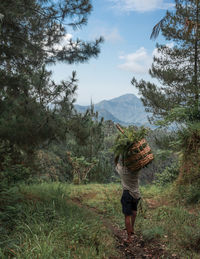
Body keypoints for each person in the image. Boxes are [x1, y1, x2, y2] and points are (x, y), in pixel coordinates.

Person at [115, 156, 141, 243]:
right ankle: (132, 228)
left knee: (127, 216)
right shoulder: (136, 170)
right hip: (136, 195)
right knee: (134, 211)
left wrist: (117, 155)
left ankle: (129, 237)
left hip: (127, 194)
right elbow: (140, 163)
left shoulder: (122, 170)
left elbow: (115, 162)